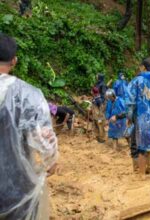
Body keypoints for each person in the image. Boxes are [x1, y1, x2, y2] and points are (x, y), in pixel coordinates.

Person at [0, 34, 58, 219]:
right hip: (16, 187)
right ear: (14, 61)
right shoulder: (27, 95)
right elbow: (43, 137)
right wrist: (51, 160)